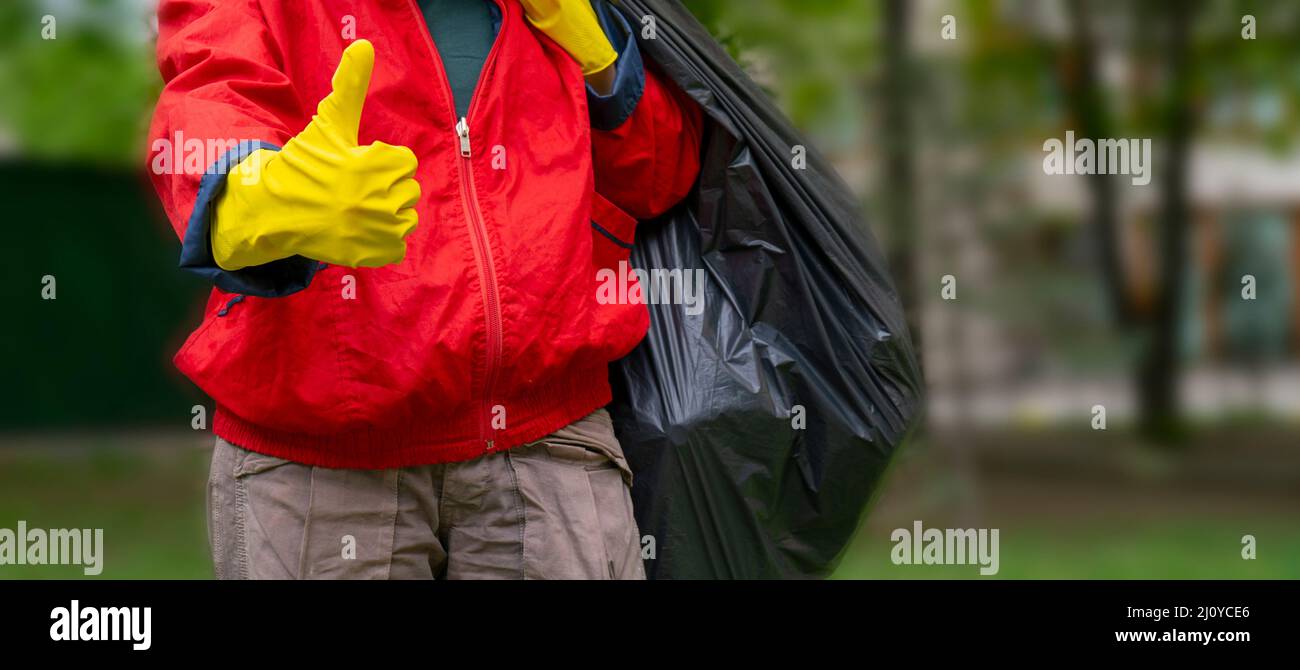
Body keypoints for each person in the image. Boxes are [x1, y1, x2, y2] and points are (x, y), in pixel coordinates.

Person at [148, 0, 703, 579]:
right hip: (319, 465)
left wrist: (603, 68)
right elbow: (207, 102)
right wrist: (257, 196)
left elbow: (660, 179)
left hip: (550, 444)